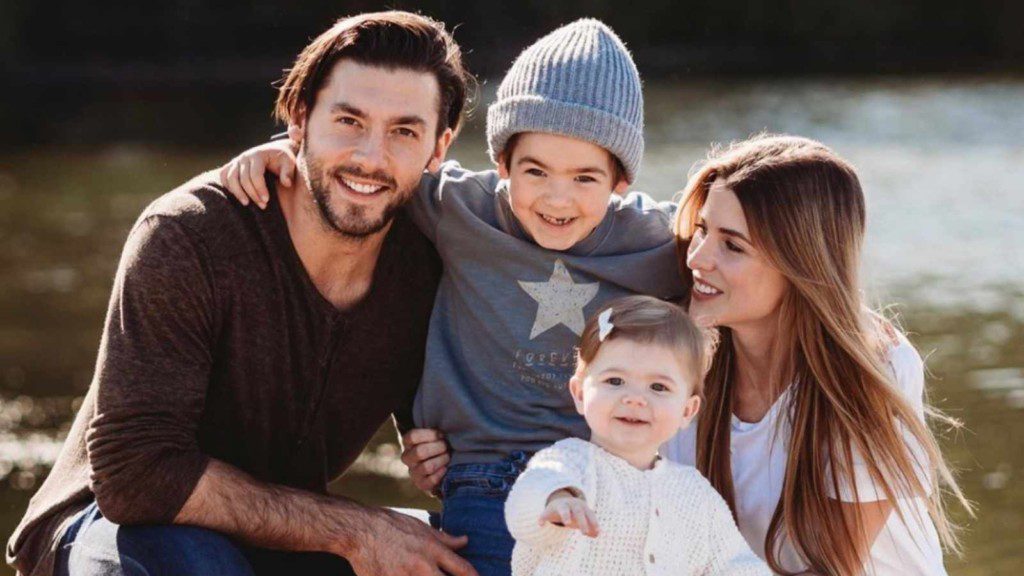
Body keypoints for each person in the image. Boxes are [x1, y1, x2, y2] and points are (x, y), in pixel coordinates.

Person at [6, 11, 479, 576]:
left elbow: (554, 203)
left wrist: (445, 457)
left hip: (284, 528)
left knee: (472, 558)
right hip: (115, 524)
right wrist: (355, 528)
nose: (371, 157)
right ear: (300, 120)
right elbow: (136, 474)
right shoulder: (189, 235)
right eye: (348, 120)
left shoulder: (434, 258)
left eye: (404, 131)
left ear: (439, 146)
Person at [219, 18, 683, 576]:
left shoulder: (658, 244)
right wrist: (283, 153)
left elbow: (743, 236)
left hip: (602, 479)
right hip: (481, 479)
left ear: (620, 181)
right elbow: (370, 170)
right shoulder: (460, 208)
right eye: (535, 171)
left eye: (586, 178)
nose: (558, 198)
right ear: (502, 164)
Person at [663, 134, 972, 575]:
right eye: (702, 230)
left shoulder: (873, 371)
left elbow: (832, 569)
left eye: (732, 245)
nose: (698, 258)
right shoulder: (678, 362)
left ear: (801, 264)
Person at [504, 295, 770, 576]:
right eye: (615, 381)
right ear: (580, 394)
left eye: (658, 387)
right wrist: (557, 498)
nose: (634, 399)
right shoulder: (570, 461)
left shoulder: (694, 493)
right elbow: (529, 494)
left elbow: (733, 563)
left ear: (687, 411)